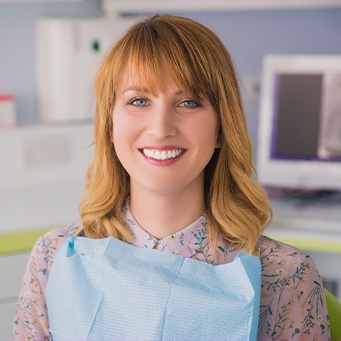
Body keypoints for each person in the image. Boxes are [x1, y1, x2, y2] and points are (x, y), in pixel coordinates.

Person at [13, 14, 330, 340]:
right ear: (109, 125)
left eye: (189, 102)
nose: (161, 127)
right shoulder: (52, 258)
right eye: (139, 101)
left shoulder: (284, 276)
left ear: (221, 127)